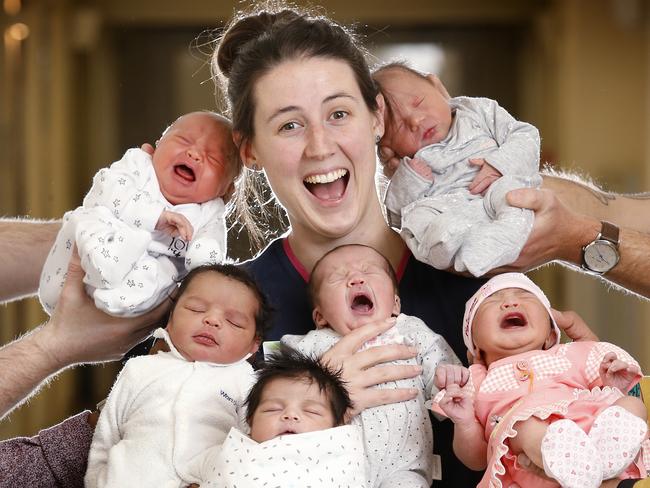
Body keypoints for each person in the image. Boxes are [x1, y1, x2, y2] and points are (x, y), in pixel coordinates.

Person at [0, 4, 644, 488]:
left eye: (339, 113)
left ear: (375, 118)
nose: (319, 147)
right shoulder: (223, 311)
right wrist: (56, 346)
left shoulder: (485, 265)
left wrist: (587, 245)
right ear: (249, 151)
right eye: (288, 124)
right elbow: (85, 456)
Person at [433, 273, 648, 488]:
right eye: (492, 300)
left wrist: (611, 385)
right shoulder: (475, 379)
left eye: (525, 296)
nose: (510, 302)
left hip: (590, 433)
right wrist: (465, 423)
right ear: (475, 347)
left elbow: (613, 388)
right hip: (527, 460)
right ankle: (575, 465)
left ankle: (605, 457)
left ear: (551, 336)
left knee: (632, 404)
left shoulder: (570, 353)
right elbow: (477, 459)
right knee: (524, 425)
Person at [282, 243, 461, 487]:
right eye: (338, 277)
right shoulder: (315, 343)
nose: (355, 279)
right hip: (333, 463)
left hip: (404, 468)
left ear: (395, 305)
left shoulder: (411, 331)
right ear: (320, 317)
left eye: (369, 271)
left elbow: (445, 386)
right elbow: (280, 391)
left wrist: (450, 384)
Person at [84, 263, 271, 487]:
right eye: (196, 309)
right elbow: (106, 436)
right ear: (170, 319)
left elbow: (250, 450)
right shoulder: (139, 369)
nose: (212, 320)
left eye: (234, 321)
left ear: (254, 343)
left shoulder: (249, 384)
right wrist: (97, 480)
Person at [39, 111, 238, 317]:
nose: (194, 154)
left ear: (226, 189)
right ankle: (107, 264)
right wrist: (156, 217)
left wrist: (201, 259)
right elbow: (105, 189)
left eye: (214, 158)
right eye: (184, 140)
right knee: (88, 219)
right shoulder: (139, 165)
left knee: (164, 274)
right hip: (73, 271)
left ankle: (119, 298)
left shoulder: (210, 213)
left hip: (119, 297)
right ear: (157, 145)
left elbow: (210, 254)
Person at [373, 62, 541, 277]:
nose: (415, 120)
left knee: (512, 194)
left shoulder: (478, 112)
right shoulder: (410, 166)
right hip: (452, 215)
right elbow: (396, 216)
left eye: (418, 102)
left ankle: (504, 237)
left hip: (493, 192)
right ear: (388, 147)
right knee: (418, 217)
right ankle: (450, 251)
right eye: (399, 126)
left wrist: (499, 165)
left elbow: (525, 135)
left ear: (437, 86)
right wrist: (409, 180)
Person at [199, 347, 367, 487]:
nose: (290, 415)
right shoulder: (232, 455)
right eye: (273, 409)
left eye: (311, 411)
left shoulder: (341, 458)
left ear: (336, 425)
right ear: (250, 420)